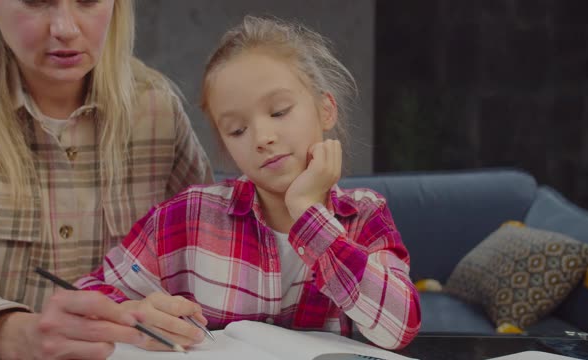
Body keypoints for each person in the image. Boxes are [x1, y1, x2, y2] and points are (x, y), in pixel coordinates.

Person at [77, 15, 422, 351]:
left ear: (325, 109)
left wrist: (307, 212)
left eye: (279, 111)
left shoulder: (364, 215)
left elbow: (399, 328)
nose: (261, 138)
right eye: (237, 130)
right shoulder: (188, 216)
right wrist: (135, 315)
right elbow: (88, 294)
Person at [0, 0, 213, 359]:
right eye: (36, 1)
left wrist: (174, 307)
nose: (65, 28)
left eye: (88, 1)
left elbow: (211, 254)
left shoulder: (158, 111)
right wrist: (12, 334)